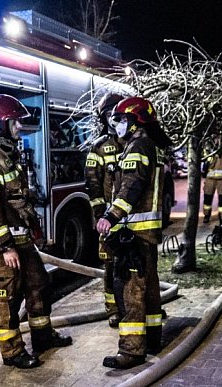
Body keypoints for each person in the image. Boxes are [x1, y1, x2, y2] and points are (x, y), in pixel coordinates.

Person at [0, 94, 72, 369]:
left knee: (39, 285)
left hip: (21, 240)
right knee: (6, 299)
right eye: (14, 123)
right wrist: (5, 245)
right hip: (3, 247)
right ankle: (12, 351)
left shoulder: (5, 154)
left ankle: (42, 337)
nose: (19, 128)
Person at [96, 96, 171, 369]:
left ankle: (131, 350)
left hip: (134, 233)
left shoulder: (138, 146)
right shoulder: (151, 145)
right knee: (149, 288)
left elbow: (132, 186)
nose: (117, 125)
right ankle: (153, 337)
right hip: (147, 232)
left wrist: (110, 215)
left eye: (122, 120)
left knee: (130, 292)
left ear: (135, 121)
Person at [84, 93, 125, 328]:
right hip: (109, 221)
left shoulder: (131, 142)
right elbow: (93, 185)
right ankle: (113, 308)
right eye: (110, 115)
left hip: (131, 219)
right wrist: (101, 216)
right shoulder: (98, 148)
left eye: (117, 115)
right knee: (110, 267)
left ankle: (134, 305)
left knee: (132, 265)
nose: (114, 119)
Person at [201, 136, 222, 224]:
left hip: (221, 179)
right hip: (210, 179)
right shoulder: (208, 148)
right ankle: (206, 215)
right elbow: (204, 162)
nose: (217, 140)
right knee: (207, 200)